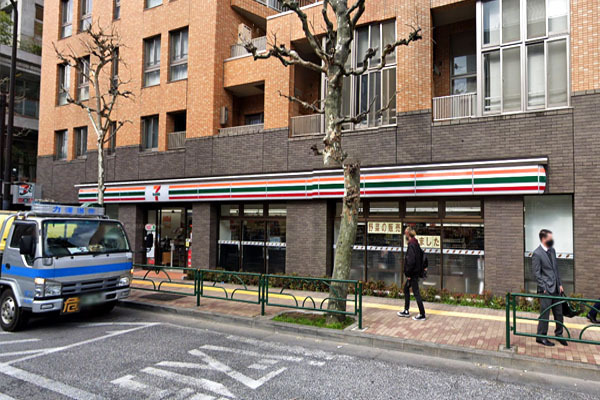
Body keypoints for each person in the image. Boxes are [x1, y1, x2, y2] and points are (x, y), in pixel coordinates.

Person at [533, 229, 567, 346]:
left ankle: (559, 334)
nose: (552, 240)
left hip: (556, 288)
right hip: (546, 290)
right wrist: (543, 287)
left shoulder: (552, 250)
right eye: (550, 238)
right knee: (545, 314)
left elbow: (556, 269)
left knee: (559, 313)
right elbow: (536, 273)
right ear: (543, 239)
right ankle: (541, 336)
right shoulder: (537, 253)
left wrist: (560, 284)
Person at [397, 227, 426, 321]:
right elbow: (422, 255)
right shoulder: (416, 243)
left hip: (412, 274)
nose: (404, 235)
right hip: (415, 272)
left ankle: (422, 314)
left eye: (405, 233)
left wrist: (408, 274)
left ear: (407, 234)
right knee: (406, 289)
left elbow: (411, 261)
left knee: (416, 293)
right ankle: (406, 310)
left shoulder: (411, 245)